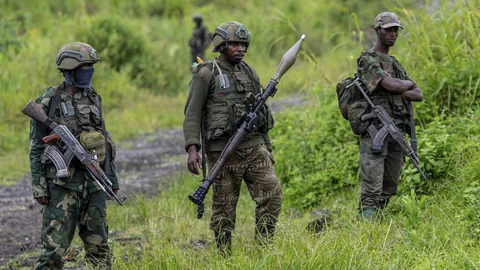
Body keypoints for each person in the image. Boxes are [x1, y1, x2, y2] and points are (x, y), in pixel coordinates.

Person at [183, 21, 282, 253]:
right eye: (235, 44)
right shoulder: (206, 73)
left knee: (272, 193)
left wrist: (267, 147)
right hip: (222, 152)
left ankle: (264, 248)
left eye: (244, 45)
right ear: (221, 45)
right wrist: (192, 148)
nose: (241, 49)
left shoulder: (248, 71)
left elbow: (260, 112)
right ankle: (224, 255)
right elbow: (192, 112)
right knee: (224, 209)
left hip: (254, 147)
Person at [29, 42, 119, 269]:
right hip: (62, 186)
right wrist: (39, 187)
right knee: (53, 252)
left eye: (91, 66)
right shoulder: (50, 100)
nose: (90, 70)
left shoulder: (93, 97)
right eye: (85, 66)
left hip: (94, 183)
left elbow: (105, 139)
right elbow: (37, 146)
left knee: (100, 248)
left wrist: (111, 179)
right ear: (70, 70)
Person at [356, 12, 423, 219]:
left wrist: (401, 88)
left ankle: (378, 223)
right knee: (372, 188)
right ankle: (364, 231)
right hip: (375, 129)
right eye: (388, 29)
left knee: (390, 185)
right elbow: (389, 84)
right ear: (377, 31)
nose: (393, 34)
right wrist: (404, 86)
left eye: (395, 29)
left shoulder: (394, 63)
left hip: (396, 130)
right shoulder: (367, 60)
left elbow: (418, 94)